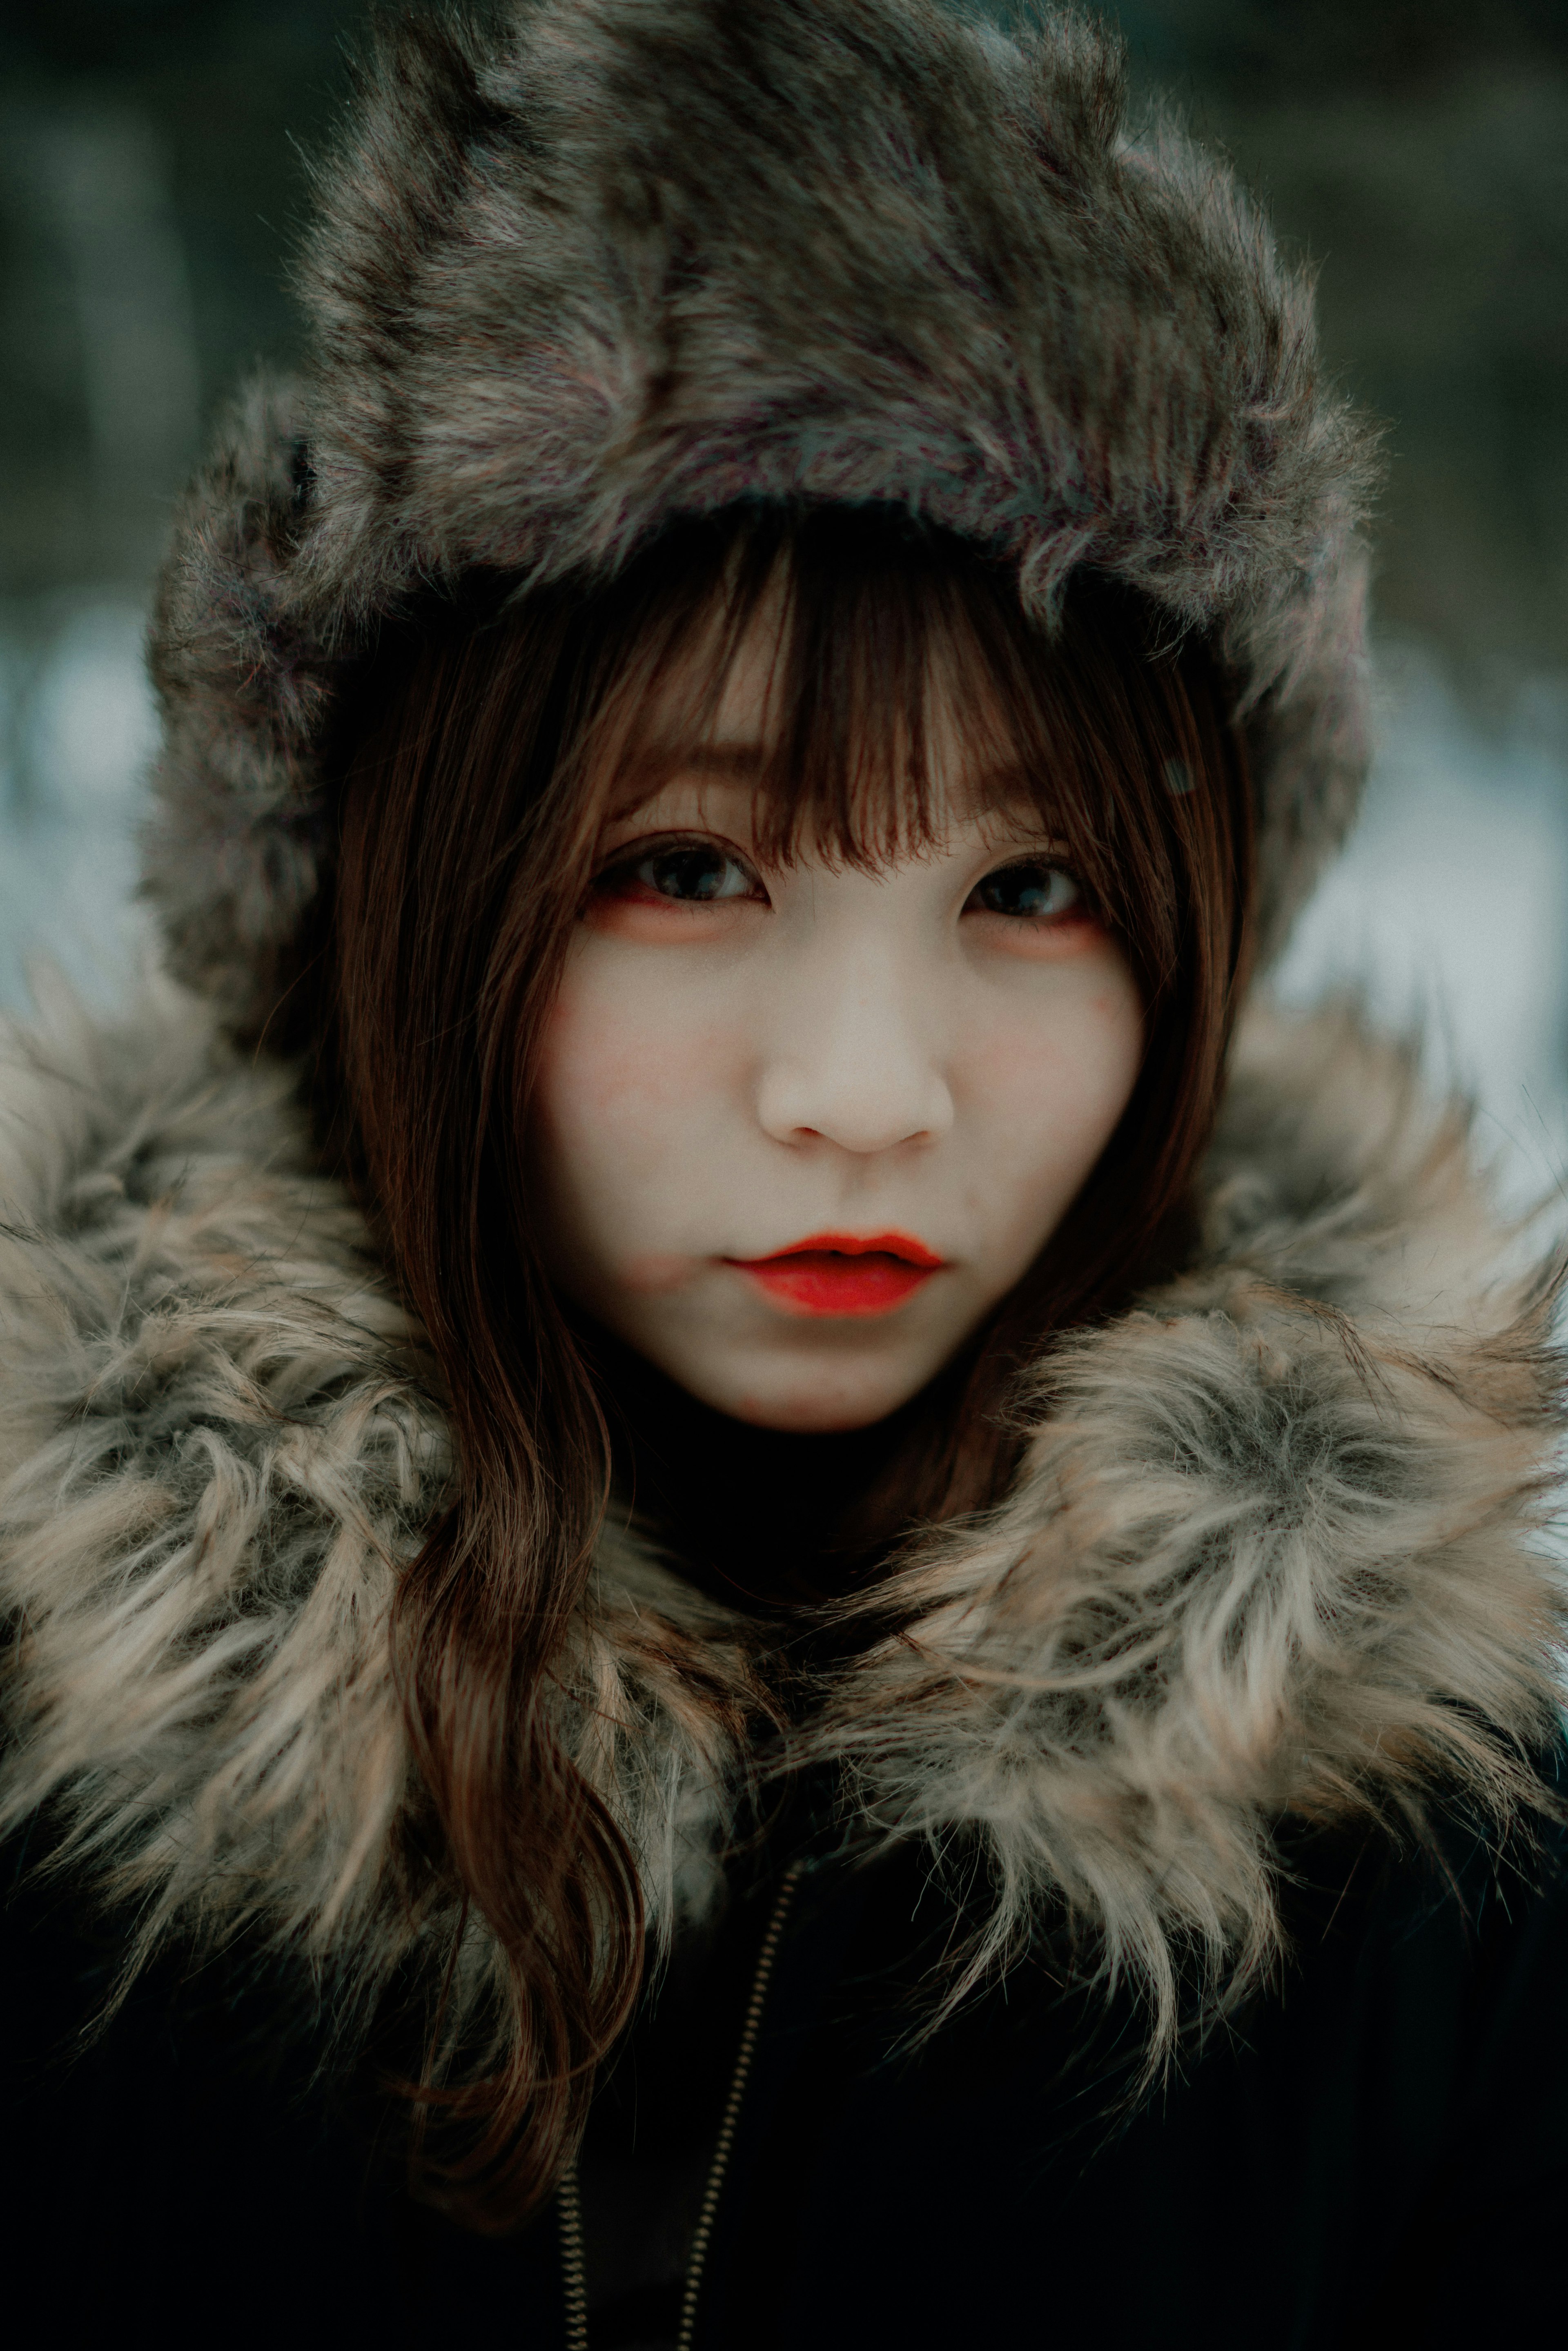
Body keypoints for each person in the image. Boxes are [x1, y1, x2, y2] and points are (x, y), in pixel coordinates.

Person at [0, 1, 1564, 2343]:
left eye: (1033, 893)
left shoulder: (1443, 1894)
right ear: (407, 912)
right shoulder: (54, 1805)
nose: (863, 1092)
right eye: (687, 867)